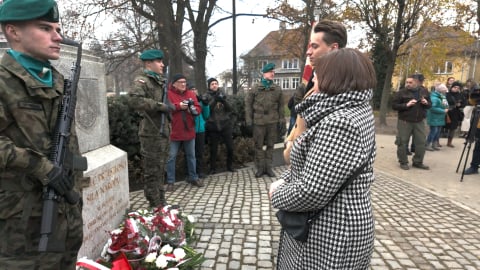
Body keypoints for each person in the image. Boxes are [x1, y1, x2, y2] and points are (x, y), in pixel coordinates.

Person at [269, 48, 377, 269]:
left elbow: (312, 191)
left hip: (331, 228)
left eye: (318, 73)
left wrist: (277, 192)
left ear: (334, 78)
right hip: (329, 222)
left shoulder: (340, 121)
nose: (314, 78)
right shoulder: (351, 109)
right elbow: (316, 165)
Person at [0, 0, 84, 268]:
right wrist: (41, 166)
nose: (58, 36)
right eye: (45, 28)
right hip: (22, 232)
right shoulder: (3, 81)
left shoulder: (57, 79)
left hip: (66, 221)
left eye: (58, 29)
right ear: (13, 32)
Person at [284, 20, 347, 164]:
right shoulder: (318, 81)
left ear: (333, 48)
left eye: (314, 46)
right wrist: (290, 139)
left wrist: (291, 148)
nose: (308, 52)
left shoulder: (337, 88)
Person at [128, 49, 171, 207]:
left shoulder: (158, 81)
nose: (162, 64)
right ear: (148, 63)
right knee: (152, 171)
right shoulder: (142, 81)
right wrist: (160, 106)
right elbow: (134, 101)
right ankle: (155, 205)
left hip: (162, 132)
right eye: (159, 61)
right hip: (151, 133)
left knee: (161, 169)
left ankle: (161, 202)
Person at [245, 63, 284, 178]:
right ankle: (260, 168)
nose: (272, 74)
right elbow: (248, 104)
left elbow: (281, 106)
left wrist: (281, 120)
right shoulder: (255, 88)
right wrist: (248, 120)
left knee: (271, 145)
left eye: (273, 72)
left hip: (272, 120)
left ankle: (269, 167)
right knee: (259, 145)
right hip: (259, 121)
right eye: (270, 72)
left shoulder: (277, 89)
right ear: (264, 73)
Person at [166, 73, 203, 190]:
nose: (183, 84)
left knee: (191, 156)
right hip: (174, 131)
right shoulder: (168, 94)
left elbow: (198, 108)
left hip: (189, 130)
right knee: (171, 157)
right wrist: (179, 106)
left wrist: (192, 109)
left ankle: (193, 177)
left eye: (184, 82)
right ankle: (170, 181)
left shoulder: (191, 93)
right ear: (174, 84)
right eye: (180, 82)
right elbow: (166, 108)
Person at [392, 75, 431, 170]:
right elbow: (394, 106)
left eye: (410, 82)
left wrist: (426, 103)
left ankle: (418, 162)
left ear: (416, 82)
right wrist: (406, 105)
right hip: (405, 121)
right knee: (402, 142)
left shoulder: (424, 91)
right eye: (407, 82)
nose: (408, 84)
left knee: (421, 142)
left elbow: (430, 105)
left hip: (419, 121)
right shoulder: (401, 93)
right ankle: (403, 162)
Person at [205, 78, 236, 174]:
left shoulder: (223, 94)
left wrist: (223, 101)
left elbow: (230, 109)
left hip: (225, 124)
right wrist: (215, 100)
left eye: (216, 83)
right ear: (209, 86)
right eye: (212, 84)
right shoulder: (206, 95)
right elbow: (207, 110)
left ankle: (230, 166)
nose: (214, 85)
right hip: (213, 125)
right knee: (213, 149)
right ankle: (212, 168)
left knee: (230, 147)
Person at [190, 84, 210, 178]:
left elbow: (206, 115)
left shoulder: (200, 101)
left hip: (200, 129)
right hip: (190, 130)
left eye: (195, 89)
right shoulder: (187, 101)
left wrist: (206, 105)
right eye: (191, 90)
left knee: (200, 152)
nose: (194, 91)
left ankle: (200, 171)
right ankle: (190, 172)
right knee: (190, 153)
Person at [425, 84, 448, 151]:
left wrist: (446, 107)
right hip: (434, 117)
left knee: (437, 132)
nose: (446, 92)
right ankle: (428, 144)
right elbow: (432, 107)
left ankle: (434, 144)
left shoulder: (442, 97)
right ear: (440, 90)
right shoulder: (434, 98)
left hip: (440, 117)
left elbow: (446, 105)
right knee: (434, 131)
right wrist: (443, 111)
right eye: (444, 90)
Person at [444, 81, 466, 147]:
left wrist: (460, 104)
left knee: (453, 128)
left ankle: (449, 142)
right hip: (447, 112)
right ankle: (436, 142)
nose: (456, 89)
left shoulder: (460, 95)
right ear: (452, 87)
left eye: (458, 88)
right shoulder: (447, 94)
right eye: (455, 87)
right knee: (442, 127)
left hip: (455, 113)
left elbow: (464, 103)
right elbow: (443, 102)